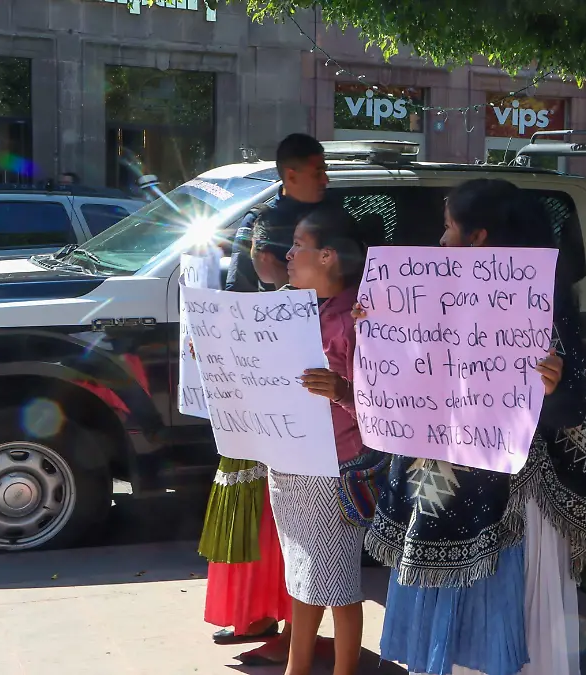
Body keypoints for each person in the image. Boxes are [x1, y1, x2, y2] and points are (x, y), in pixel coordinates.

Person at [362, 178, 586, 675]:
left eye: (448, 228)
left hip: (513, 505)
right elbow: (407, 378)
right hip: (441, 493)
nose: (440, 240)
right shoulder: (425, 298)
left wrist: (553, 386)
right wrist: (378, 324)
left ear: (479, 237)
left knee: (509, 632)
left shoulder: (539, 305)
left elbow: (573, 408)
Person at [269, 205, 369, 675]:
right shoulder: (288, 310)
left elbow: (388, 407)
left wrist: (342, 391)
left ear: (327, 256)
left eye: (298, 246)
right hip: (290, 462)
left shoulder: (360, 318)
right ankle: (298, 667)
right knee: (302, 574)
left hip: (337, 469)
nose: (287, 255)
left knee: (339, 584)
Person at [199, 222, 295, 666]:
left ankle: (292, 633)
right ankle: (258, 614)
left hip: (286, 440)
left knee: (282, 534)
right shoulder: (266, 303)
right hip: (254, 433)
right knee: (259, 528)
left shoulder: (298, 307)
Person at [227, 133, 330, 292]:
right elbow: (237, 290)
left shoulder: (334, 217)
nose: (325, 180)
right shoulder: (258, 220)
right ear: (291, 176)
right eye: (318, 173)